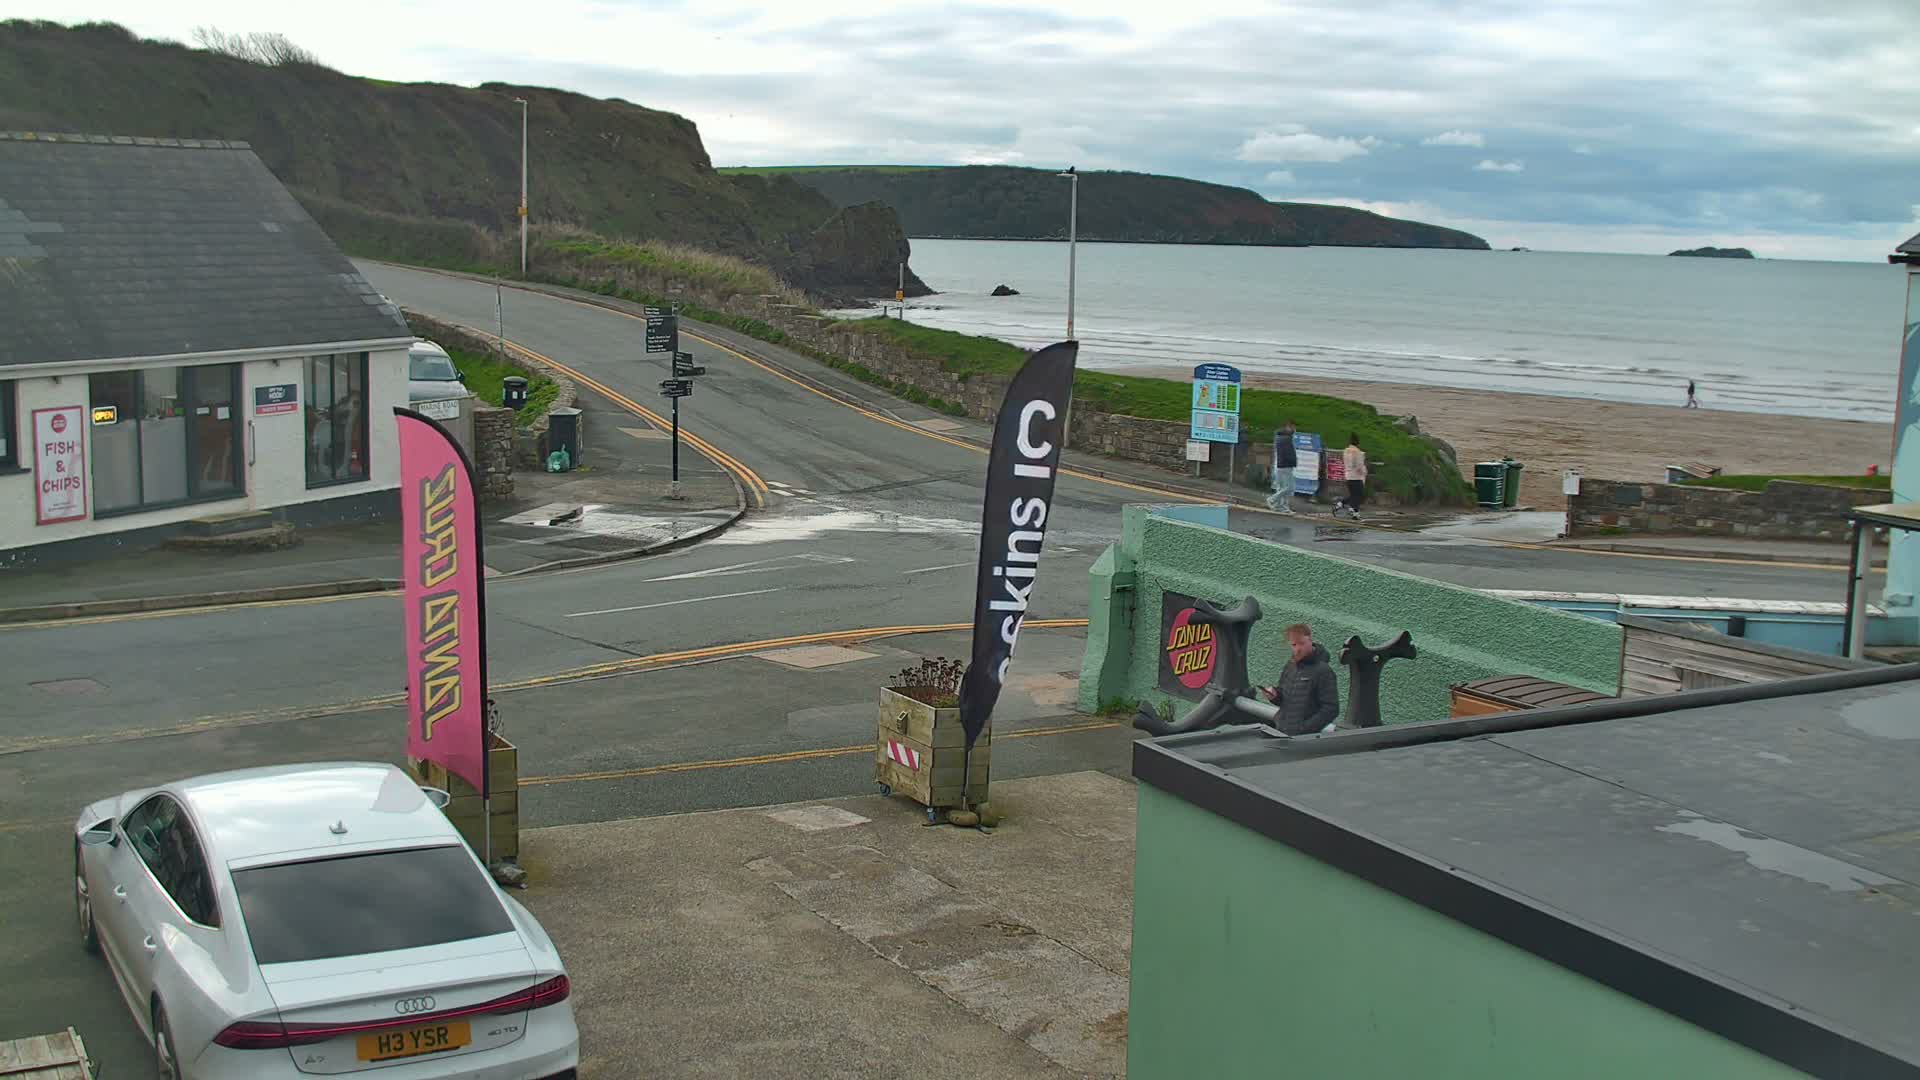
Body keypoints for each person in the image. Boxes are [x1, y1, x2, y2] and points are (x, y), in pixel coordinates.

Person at [1261, 622, 1340, 735]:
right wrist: (1274, 695)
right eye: (1294, 645)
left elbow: (1331, 709)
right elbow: (1284, 698)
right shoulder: (1290, 665)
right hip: (1280, 731)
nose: (1298, 649)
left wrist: (1304, 729)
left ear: (1310, 640)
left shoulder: (1323, 671)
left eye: (1301, 643)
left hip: (1304, 740)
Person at [1267, 420, 1298, 513]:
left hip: (1281, 465)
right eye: (1293, 427)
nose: (1295, 430)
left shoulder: (1279, 437)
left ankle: (1280, 506)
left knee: (1282, 487)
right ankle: (1272, 499)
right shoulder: (1287, 439)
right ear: (1288, 428)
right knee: (1290, 487)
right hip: (1286, 465)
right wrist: (1293, 462)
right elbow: (1288, 453)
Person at [1337, 434, 1367, 520]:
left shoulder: (1346, 451)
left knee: (1354, 495)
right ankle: (1354, 512)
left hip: (1348, 475)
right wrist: (1363, 472)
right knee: (1358, 495)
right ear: (1357, 443)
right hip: (1356, 476)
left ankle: (1342, 504)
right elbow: (1359, 465)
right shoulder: (1357, 452)